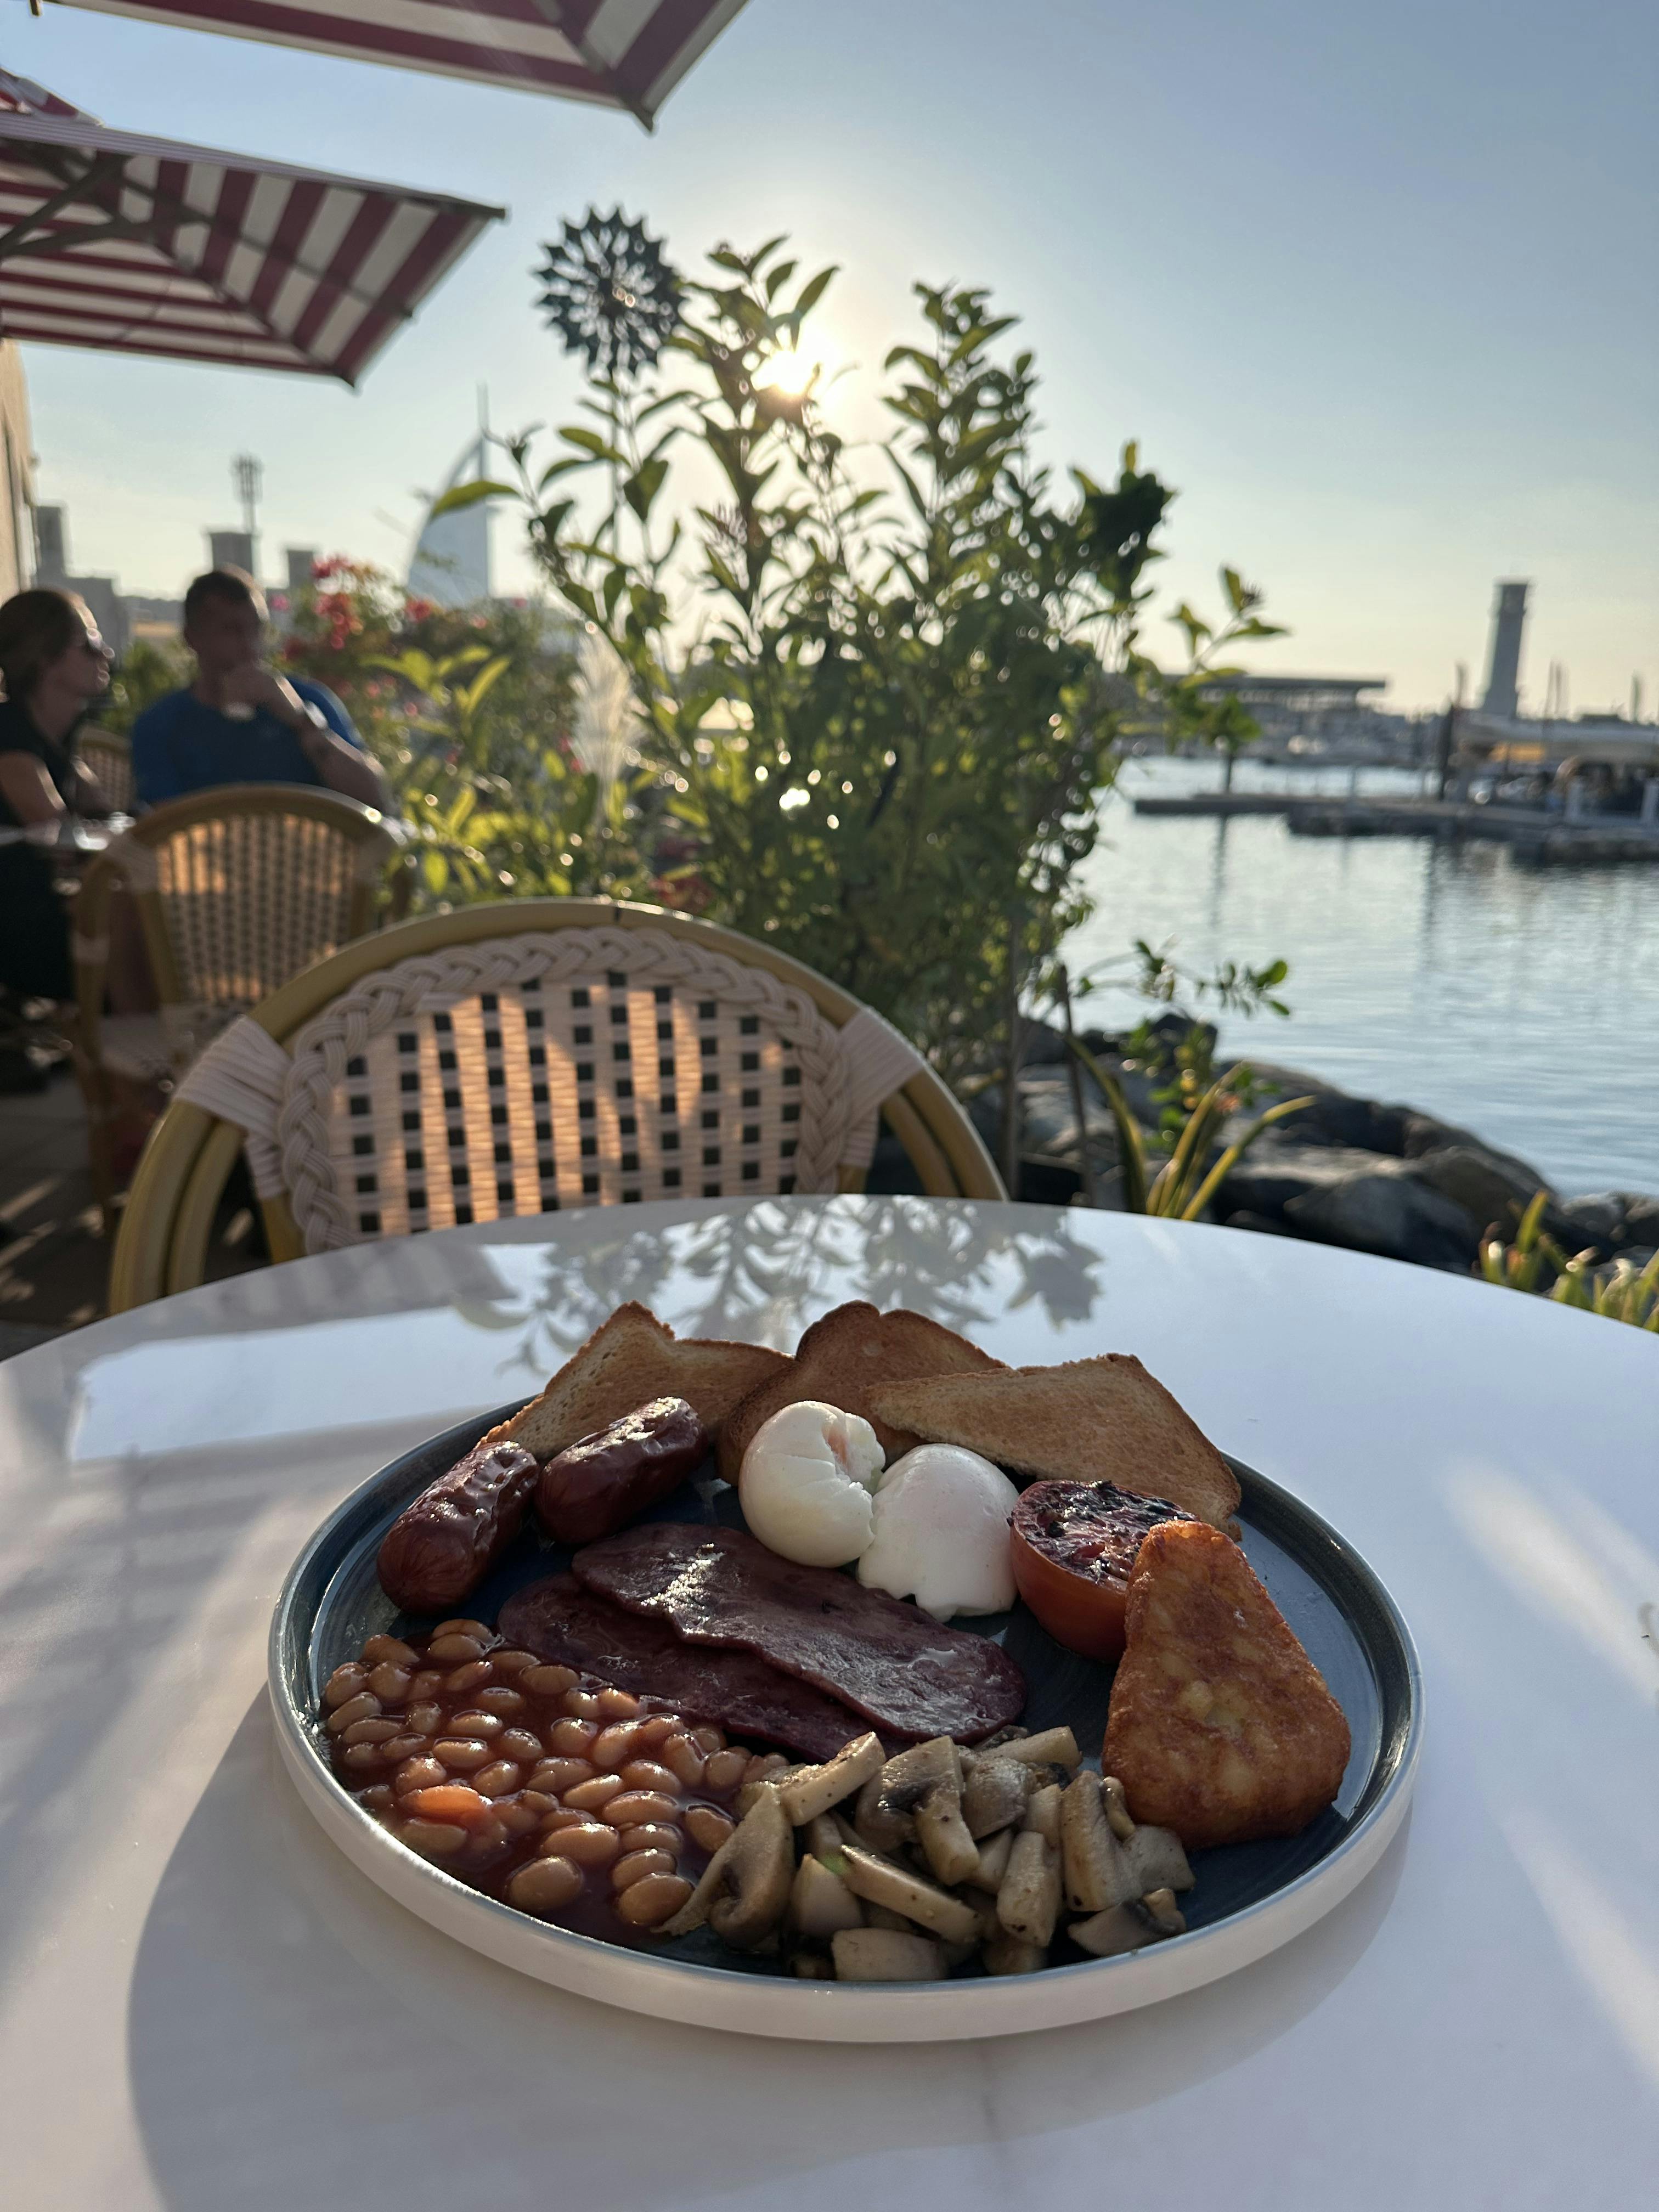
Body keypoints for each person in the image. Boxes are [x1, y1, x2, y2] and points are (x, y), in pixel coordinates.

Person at [132, 567, 390, 812]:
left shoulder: (310, 701)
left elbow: (376, 801)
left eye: (256, 629)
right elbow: (162, 825)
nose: (249, 647)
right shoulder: (162, 725)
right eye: (231, 631)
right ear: (193, 638)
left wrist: (301, 723)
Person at [0, 588, 119, 1000]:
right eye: (90, 644)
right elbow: (62, 839)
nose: (107, 653)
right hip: (20, 936)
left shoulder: (56, 739)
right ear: (45, 659)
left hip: (49, 915)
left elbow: (107, 817)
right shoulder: (9, 737)